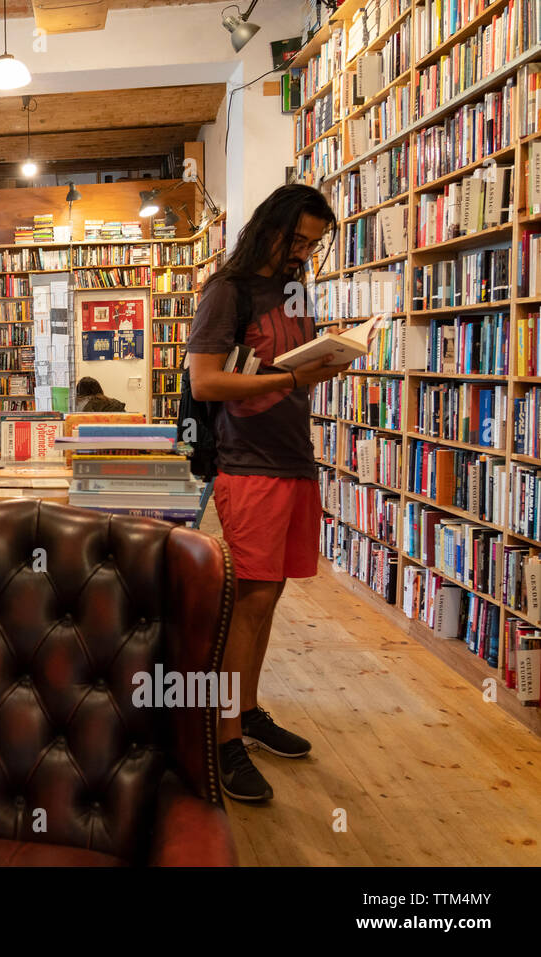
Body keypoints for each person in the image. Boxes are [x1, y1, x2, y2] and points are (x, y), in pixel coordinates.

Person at [187, 183, 353, 804]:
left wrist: (323, 361)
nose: (303, 253)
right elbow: (204, 383)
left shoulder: (295, 289)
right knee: (249, 601)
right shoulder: (227, 291)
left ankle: (249, 711)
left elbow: (285, 368)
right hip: (247, 464)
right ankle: (224, 736)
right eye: (297, 239)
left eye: (313, 243)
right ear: (269, 228)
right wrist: (292, 374)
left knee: (272, 595)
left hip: (293, 461)